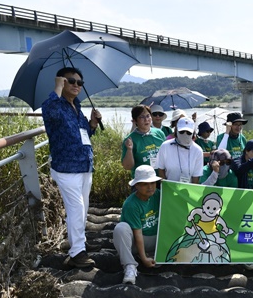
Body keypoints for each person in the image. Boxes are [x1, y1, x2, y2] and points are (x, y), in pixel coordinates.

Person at [41, 67, 102, 268]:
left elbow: (84, 134)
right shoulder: (54, 104)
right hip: (66, 167)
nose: (77, 85)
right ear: (62, 81)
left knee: (82, 209)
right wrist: (57, 87)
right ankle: (77, 252)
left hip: (84, 164)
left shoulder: (76, 106)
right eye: (71, 81)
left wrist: (92, 124)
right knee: (76, 209)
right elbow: (49, 113)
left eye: (80, 82)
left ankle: (80, 242)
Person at [113, 165, 162, 284]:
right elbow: (138, 233)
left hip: (158, 239)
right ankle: (130, 265)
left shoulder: (159, 195)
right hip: (137, 241)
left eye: (153, 183)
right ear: (137, 186)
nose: (150, 187)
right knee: (121, 228)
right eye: (145, 184)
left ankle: (160, 254)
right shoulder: (131, 204)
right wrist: (144, 258)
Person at [121, 105, 167, 178]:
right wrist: (129, 150)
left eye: (148, 116)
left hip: (161, 179)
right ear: (135, 120)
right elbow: (127, 166)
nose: (146, 119)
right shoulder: (130, 139)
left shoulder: (159, 133)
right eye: (142, 117)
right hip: (143, 183)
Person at [155, 117, 203, 183]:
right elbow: (161, 170)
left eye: (188, 132)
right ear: (176, 130)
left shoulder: (198, 150)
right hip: (169, 189)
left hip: (187, 190)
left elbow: (196, 177)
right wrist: (167, 187)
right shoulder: (165, 146)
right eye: (182, 131)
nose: (185, 134)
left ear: (193, 133)